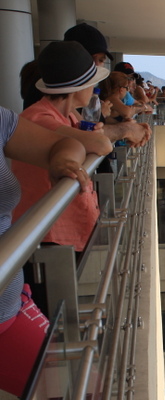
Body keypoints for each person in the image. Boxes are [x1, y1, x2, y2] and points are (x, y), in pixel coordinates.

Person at [1, 105, 90, 396]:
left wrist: (62, 162)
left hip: (9, 312)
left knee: (86, 397)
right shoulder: (41, 113)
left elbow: (68, 145)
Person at [12, 41, 112, 253]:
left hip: (62, 234)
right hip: (48, 240)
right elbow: (102, 145)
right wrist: (95, 137)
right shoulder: (39, 118)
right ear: (78, 87)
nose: (94, 90)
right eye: (92, 84)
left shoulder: (63, 115)